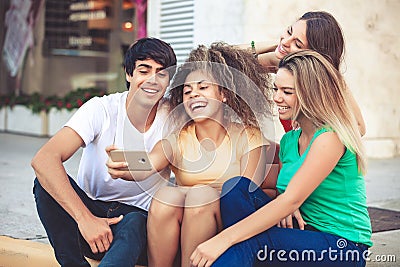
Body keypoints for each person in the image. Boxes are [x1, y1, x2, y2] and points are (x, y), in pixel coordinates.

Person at [190, 50, 372, 267]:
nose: (276, 97)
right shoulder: (289, 140)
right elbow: (289, 195)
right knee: (236, 188)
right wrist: (287, 199)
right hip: (301, 231)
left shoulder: (330, 137)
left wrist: (222, 239)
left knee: (249, 241)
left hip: (342, 246)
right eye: (276, 89)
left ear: (311, 94)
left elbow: (291, 200)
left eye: (287, 91)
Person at [106, 42, 275, 267]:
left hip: (232, 228)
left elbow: (245, 196)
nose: (194, 94)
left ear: (224, 95)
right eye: (187, 91)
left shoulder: (247, 135)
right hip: (187, 229)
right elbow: (149, 161)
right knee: (166, 197)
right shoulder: (179, 138)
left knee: (200, 196)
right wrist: (125, 163)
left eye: (203, 87)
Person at [31, 37, 177, 267]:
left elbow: (216, 71)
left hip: (139, 228)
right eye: (144, 70)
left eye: (161, 73)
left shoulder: (173, 116)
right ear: (129, 74)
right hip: (91, 219)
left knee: (136, 221)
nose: (152, 80)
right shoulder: (101, 109)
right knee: (44, 184)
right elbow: (44, 159)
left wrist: (252, 45)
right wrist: (86, 219)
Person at [238, 11, 366, 135]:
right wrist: (277, 44)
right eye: (289, 32)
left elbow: (359, 128)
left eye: (298, 44)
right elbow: (227, 58)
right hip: (294, 152)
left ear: (313, 56)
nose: (285, 41)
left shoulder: (330, 81)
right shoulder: (281, 64)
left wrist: (314, 126)